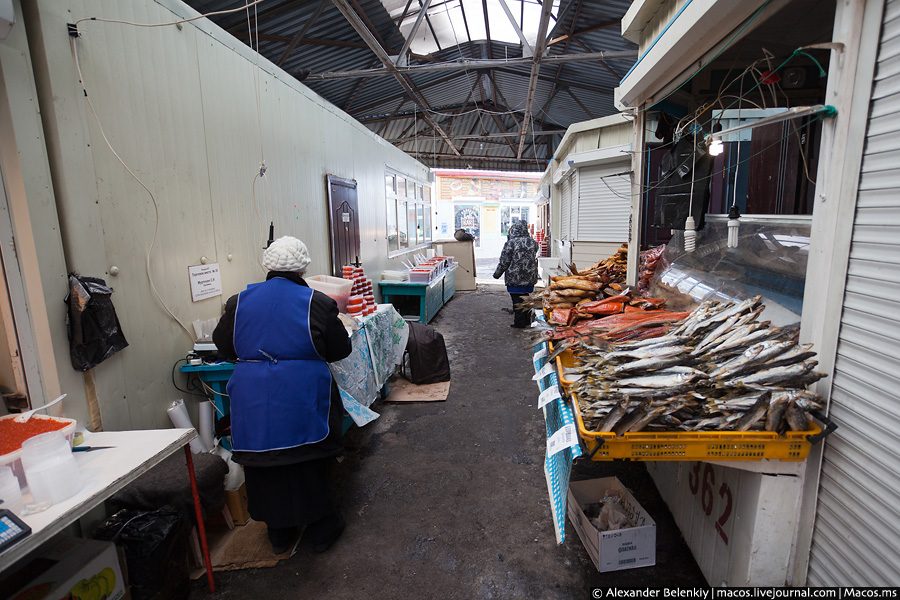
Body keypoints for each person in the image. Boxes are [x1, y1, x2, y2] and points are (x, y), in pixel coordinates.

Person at [212, 236, 352, 554]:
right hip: (303, 395)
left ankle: (278, 533)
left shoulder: (239, 303)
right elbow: (339, 348)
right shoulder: (317, 302)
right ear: (303, 268)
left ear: (266, 266)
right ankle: (321, 529)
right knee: (306, 459)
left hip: (251, 396)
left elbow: (223, 345)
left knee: (264, 463)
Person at [492, 220, 539, 328]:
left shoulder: (511, 243)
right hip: (529, 277)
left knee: (517, 301)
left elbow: (504, 261)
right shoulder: (533, 242)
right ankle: (527, 320)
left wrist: (497, 274)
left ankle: (519, 323)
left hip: (515, 278)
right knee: (526, 298)